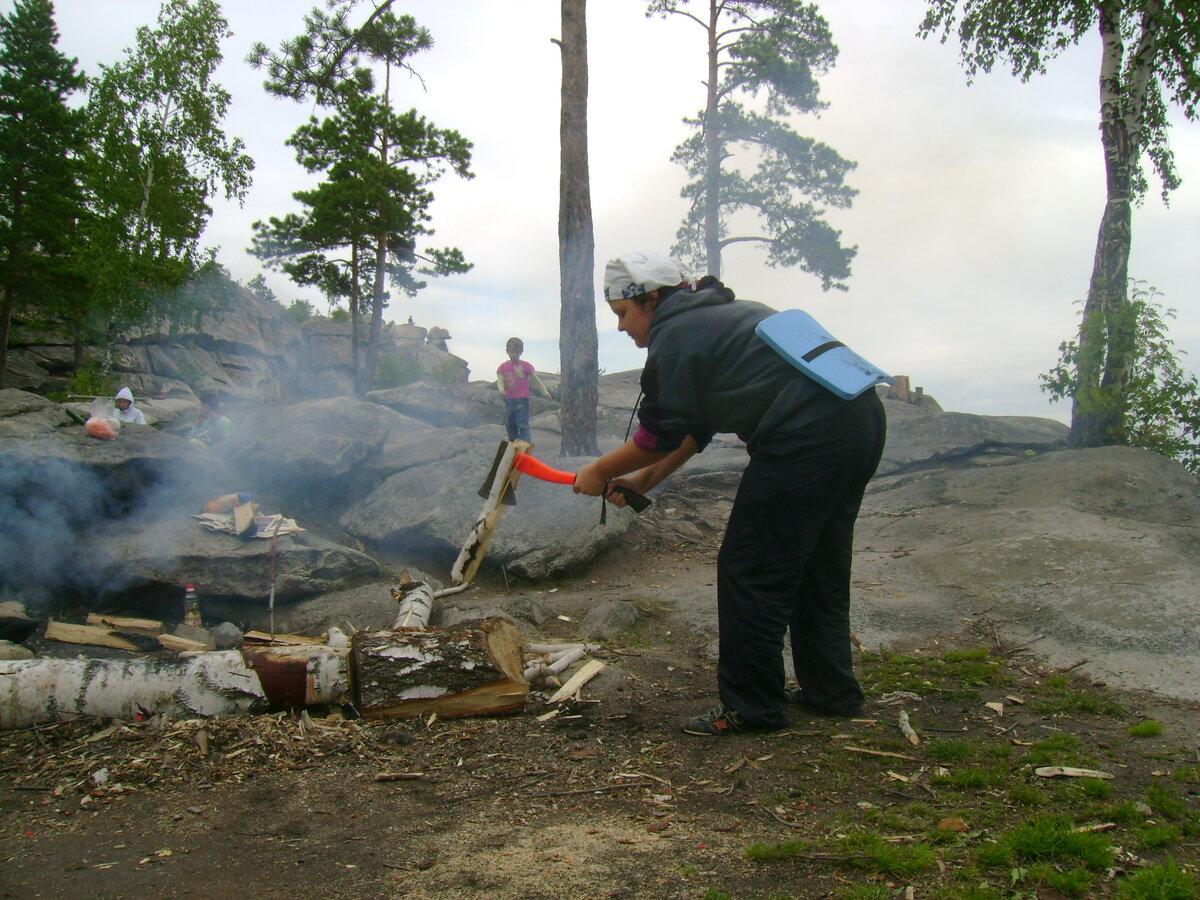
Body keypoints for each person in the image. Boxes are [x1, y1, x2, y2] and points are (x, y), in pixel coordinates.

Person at [573, 251, 887, 736]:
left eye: (622, 314)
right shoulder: (723, 317)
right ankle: (831, 693)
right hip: (859, 419)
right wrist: (644, 480)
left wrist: (598, 470)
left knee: (750, 568)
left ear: (650, 300)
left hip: (806, 436)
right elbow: (695, 426)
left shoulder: (676, 335)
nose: (621, 328)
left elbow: (655, 436)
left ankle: (753, 707)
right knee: (818, 563)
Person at [496, 337, 551, 443]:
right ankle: (514, 445)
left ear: (521, 352)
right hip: (508, 399)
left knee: (522, 423)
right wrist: (501, 389)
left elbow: (536, 380)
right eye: (512, 352)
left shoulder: (525, 366)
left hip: (522, 399)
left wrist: (545, 392)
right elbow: (500, 379)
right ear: (507, 351)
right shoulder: (503, 367)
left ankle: (526, 445)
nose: (514, 355)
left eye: (517, 352)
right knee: (511, 424)